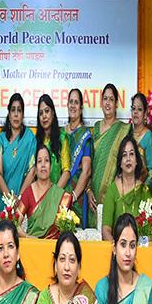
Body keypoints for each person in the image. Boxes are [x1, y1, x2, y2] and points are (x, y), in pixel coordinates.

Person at [102, 135, 152, 241]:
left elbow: (151, 230)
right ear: (120, 163)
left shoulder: (144, 191)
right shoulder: (112, 190)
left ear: (136, 161)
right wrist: (117, 248)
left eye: (131, 154)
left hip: (140, 251)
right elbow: (106, 230)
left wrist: (138, 248)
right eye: (124, 155)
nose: (128, 159)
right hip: (117, 251)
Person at [90, 84, 130, 227]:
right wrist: (88, 190)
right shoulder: (95, 127)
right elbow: (90, 161)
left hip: (114, 191)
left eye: (111, 99)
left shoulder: (123, 129)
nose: (107, 103)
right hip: (93, 192)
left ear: (116, 103)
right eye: (105, 99)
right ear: (101, 102)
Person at [0, 93, 37, 222]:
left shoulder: (30, 138)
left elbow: (32, 170)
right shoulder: (1, 139)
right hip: (4, 199)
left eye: (19, 110)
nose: (16, 114)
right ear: (9, 113)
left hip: (24, 200)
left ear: (23, 114)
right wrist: (10, 199)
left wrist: (19, 198)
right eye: (13, 110)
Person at [18, 144, 73, 239]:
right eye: (39, 161)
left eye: (46, 161)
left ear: (51, 167)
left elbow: (66, 231)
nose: (43, 165)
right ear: (35, 168)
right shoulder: (28, 192)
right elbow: (15, 224)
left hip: (54, 248)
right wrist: (28, 237)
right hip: (33, 246)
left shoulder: (61, 195)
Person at [63, 88, 93, 226]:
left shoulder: (85, 136)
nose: (73, 105)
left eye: (76, 102)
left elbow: (86, 171)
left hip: (78, 197)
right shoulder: (61, 133)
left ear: (81, 108)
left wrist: (74, 196)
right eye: (71, 102)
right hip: (60, 195)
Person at [28, 94, 69, 187]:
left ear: (53, 113)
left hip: (57, 196)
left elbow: (66, 172)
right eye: (41, 113)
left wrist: (52, 196)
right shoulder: (35, 141)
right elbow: (32, 171)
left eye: (47, 111)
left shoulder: (62, 138)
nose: (44, 116)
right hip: (39, 195)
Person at [130, 92, 152, 197]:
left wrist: (141, 192)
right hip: (126, 192)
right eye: (133, 109)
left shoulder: (149, 137)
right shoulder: (128, 134)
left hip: (142, 195)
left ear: (145, 113)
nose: (136, 112)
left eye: (139, 109)